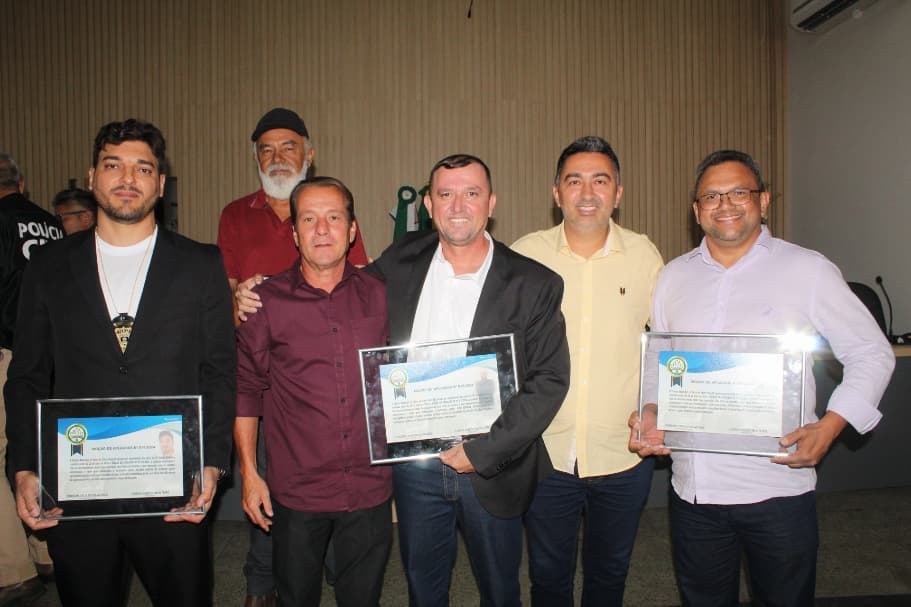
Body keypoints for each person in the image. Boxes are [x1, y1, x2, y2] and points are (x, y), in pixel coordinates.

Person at [629, 149, 895, 606]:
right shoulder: (674, 276)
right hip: (694, 490)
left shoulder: (807, 270)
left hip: (777, 487)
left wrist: (831, 426)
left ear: (763, 201)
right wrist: (652, 407)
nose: (725, 205)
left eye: (739, 192)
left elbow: (871, 352)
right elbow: (660, 357)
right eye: (711, 196)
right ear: (696, 210)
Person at [4, 119, 236, 606]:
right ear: (93, 177)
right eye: (114, 165)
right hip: (77, 485)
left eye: (143, 168)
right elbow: (27, 374)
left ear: (160, 183)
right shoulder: (48, 266)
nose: (128, 178)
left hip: (174, 486)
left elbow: (218, 371)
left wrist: (213, 463)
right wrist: (23, 466)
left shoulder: (200, 264)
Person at [369, 154, 570, 605]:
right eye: (446, 194)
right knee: (423, 587)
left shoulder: (533, 283)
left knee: (500, 590)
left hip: (492, 466)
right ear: (429, 205)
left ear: (491, 203)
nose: (458, 206)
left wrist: (482, 453)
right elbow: (338, 294)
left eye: (471, 193)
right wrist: (260, 292)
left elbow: (549, 380)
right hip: (416, 466)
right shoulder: (399, 261)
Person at [218, 107, 368, 607]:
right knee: (270, 485)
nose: (277, 157)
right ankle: (263, 585)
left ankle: (332, 571)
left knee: (330, 495)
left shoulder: (334, 206)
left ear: (309, 153)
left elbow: (359, 283)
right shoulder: (235, 215)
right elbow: (226, 293)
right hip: (268, 375)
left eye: (288, 147)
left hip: (327, 377)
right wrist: (237, 299)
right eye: (267, 150)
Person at [512, 136, 663, 606]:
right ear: (556, 192)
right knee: (547, 577)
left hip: (622, 454)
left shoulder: (644, 255)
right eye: (574, 181)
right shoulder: (527, 254)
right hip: (545, 452)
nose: (587, 193)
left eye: (601, 181)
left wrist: (658, 406)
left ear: (618, 193)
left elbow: (666, 345)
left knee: (609, 575)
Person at [235, 177, 391, 607]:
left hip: (369, 485)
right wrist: (249, 474)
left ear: (352, 229)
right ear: (294, 233)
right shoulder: (264, 301)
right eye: (309, 219)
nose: (322, 229)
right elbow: (245, 389)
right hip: (298, 490)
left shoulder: (382, 295)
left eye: (334, 217)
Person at [0, 153, 62, 605]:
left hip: (7, 351)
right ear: (21, 185)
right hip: (53, 355)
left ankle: (13, 571)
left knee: (8, 455)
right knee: (39, 452)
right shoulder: (51, 225)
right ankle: (47, 554)